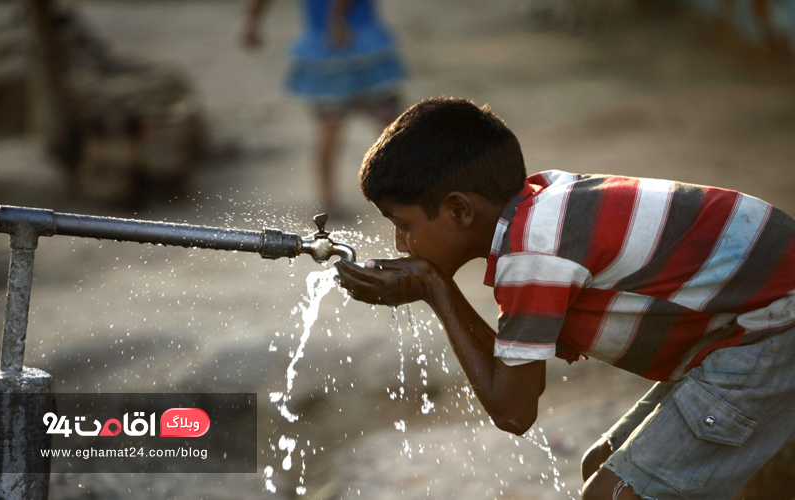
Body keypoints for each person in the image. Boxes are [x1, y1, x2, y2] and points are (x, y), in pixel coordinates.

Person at [334, 97, 795, 500]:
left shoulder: (535, 251)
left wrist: (436, 289)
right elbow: (515, 381)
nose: (399, 244)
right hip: (750, 317)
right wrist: (437, 286)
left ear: (459, 209)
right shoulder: (539, 206)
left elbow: (514, 410)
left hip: (772, 325)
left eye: (405, 225)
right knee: (603, 467)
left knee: (613, 494)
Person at [242, 0, 406, 215]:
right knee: (390, 126)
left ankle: (330, 200)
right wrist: (336, 21)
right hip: (355, 43)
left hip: (329, 47)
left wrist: (251, 22)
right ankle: (407, 190)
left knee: (338, 125)